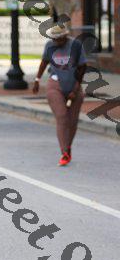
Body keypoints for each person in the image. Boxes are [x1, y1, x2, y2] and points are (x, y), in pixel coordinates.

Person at [33, 25, 87, 166]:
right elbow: (44, 62)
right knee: (62, 116)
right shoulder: (50, 45)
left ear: (65, 36)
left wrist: (75, 90)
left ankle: (68, 147)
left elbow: (82, 68)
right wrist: (37, 79)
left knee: (72, 121)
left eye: (59, 39)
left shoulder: (75, 45)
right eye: (54, 39)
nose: (56, 42)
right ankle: (64, 152)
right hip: (55, 84)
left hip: (74, 85)